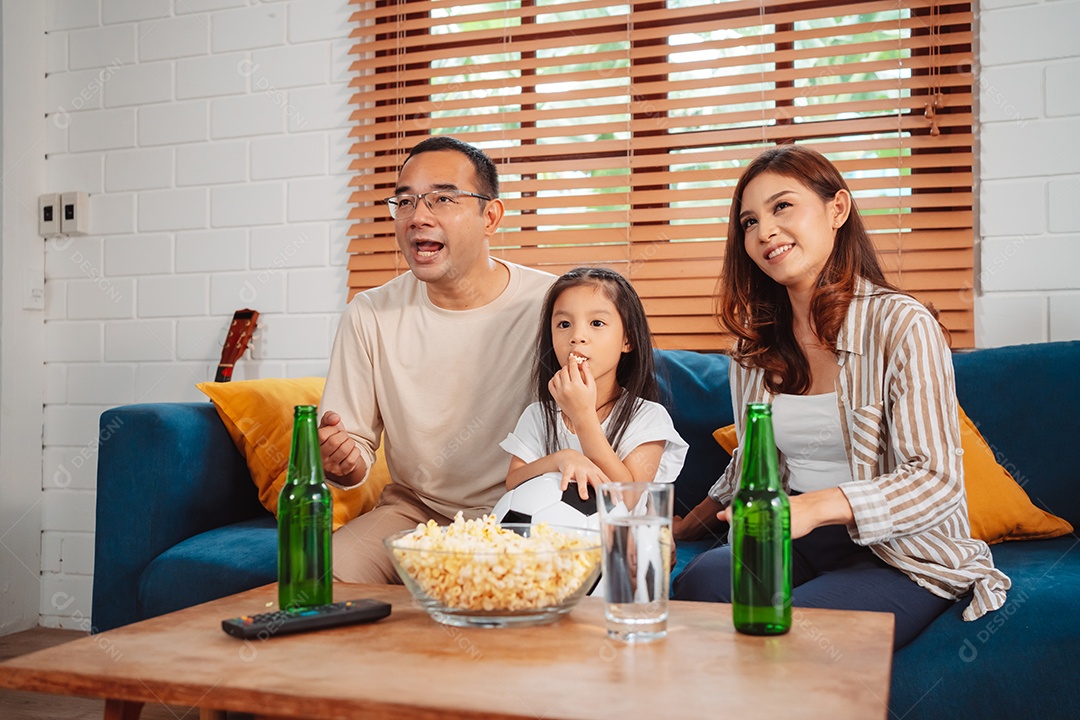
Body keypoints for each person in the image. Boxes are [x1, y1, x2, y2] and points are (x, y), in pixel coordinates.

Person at [671, 144, 1009, 649]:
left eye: (782, 206)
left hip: (901, 550)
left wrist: (816, 507)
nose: (764, 231)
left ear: (838, 210)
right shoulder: (753, 348)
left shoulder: (903, 325)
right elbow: (750, 461)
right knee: (700, 585)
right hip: (796, 537)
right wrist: (684, 528)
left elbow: (935, 479)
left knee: (797, 634)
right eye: (748, 221)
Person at [318, 136, 555, 584]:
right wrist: (343, 462)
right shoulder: (369, 313)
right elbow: (353, 452)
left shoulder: (552, 304)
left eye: (442, 198)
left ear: (491, 216)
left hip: (522, 510)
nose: (417, 217)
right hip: (414, 512)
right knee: (325, 575)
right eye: (405, 201)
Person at [495, 267, 688, 522]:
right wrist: (563, 458)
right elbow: (514, 481)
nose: (577, 337)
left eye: (597, 323)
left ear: (627, 340)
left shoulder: (648, 417)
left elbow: (627, 498)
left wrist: (583, 415)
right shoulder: (538, 414)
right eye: (564, 324)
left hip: (618, 548)